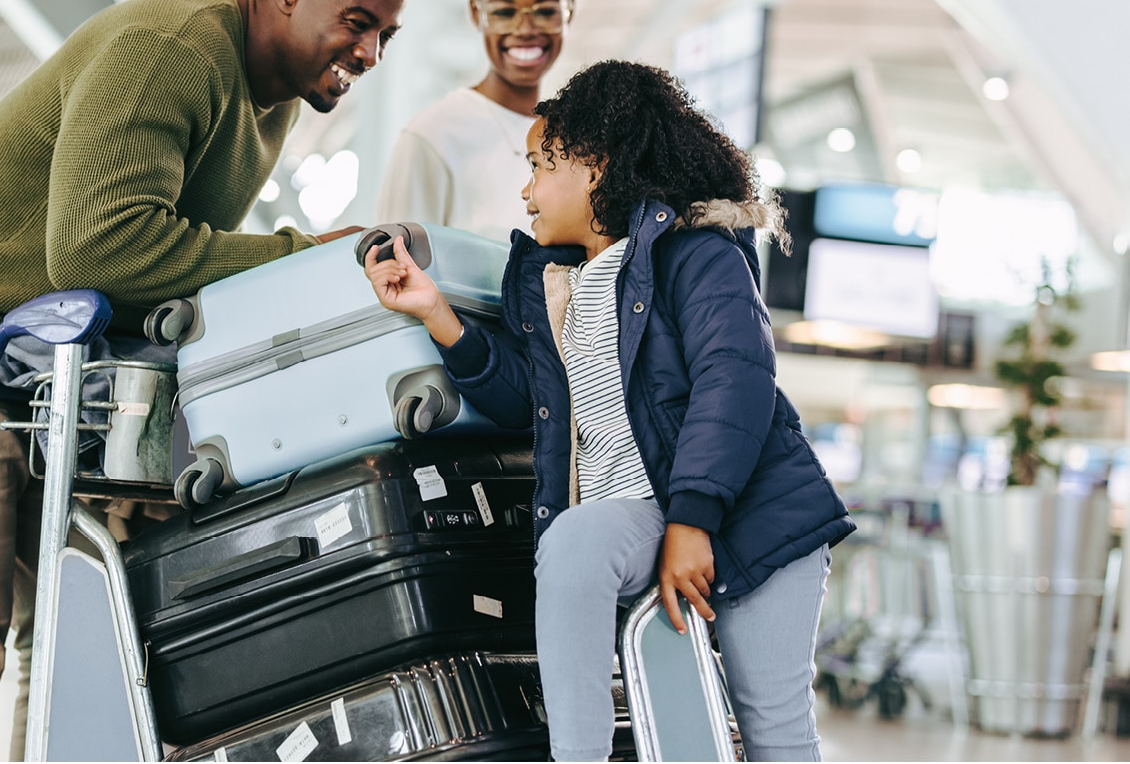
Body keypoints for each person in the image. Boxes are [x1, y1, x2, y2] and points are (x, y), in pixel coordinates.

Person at [0, 0, 407, 761]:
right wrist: (299, 255)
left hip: (39, 374)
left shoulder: (270, 102)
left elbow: (173, 271)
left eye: (386, 37)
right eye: (357, 24)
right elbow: (100, 246)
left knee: (68, 627)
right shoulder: (171, 51)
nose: (367, 54)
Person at [364, 59, 855, 762]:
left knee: (772, 729)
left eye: (540, 165)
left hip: (752, 515)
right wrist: (434, 311)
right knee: (571, 541)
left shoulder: (696, 253)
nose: (526, 190)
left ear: (594, 166)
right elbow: (518, 399)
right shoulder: (553, 283)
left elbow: (733, 379)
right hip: (640, 509)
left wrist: (692, 518)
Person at [376, 0, 572, 240]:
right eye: (504, 12)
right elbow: (390, 278)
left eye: (546, 11)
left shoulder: (578, 139)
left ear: (569, 11)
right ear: (476, 14)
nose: (525, 30)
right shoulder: (433, 138)